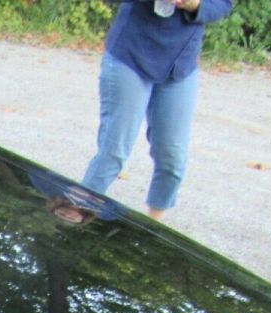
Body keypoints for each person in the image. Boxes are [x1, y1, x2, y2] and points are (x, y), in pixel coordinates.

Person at [82, 0, 233, 220]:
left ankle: (153, 230)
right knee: (112, 152)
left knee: (172, 158)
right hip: (131, 56)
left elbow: (222, 4)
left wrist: (196, 5)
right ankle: (77, 222)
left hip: (179, 66)